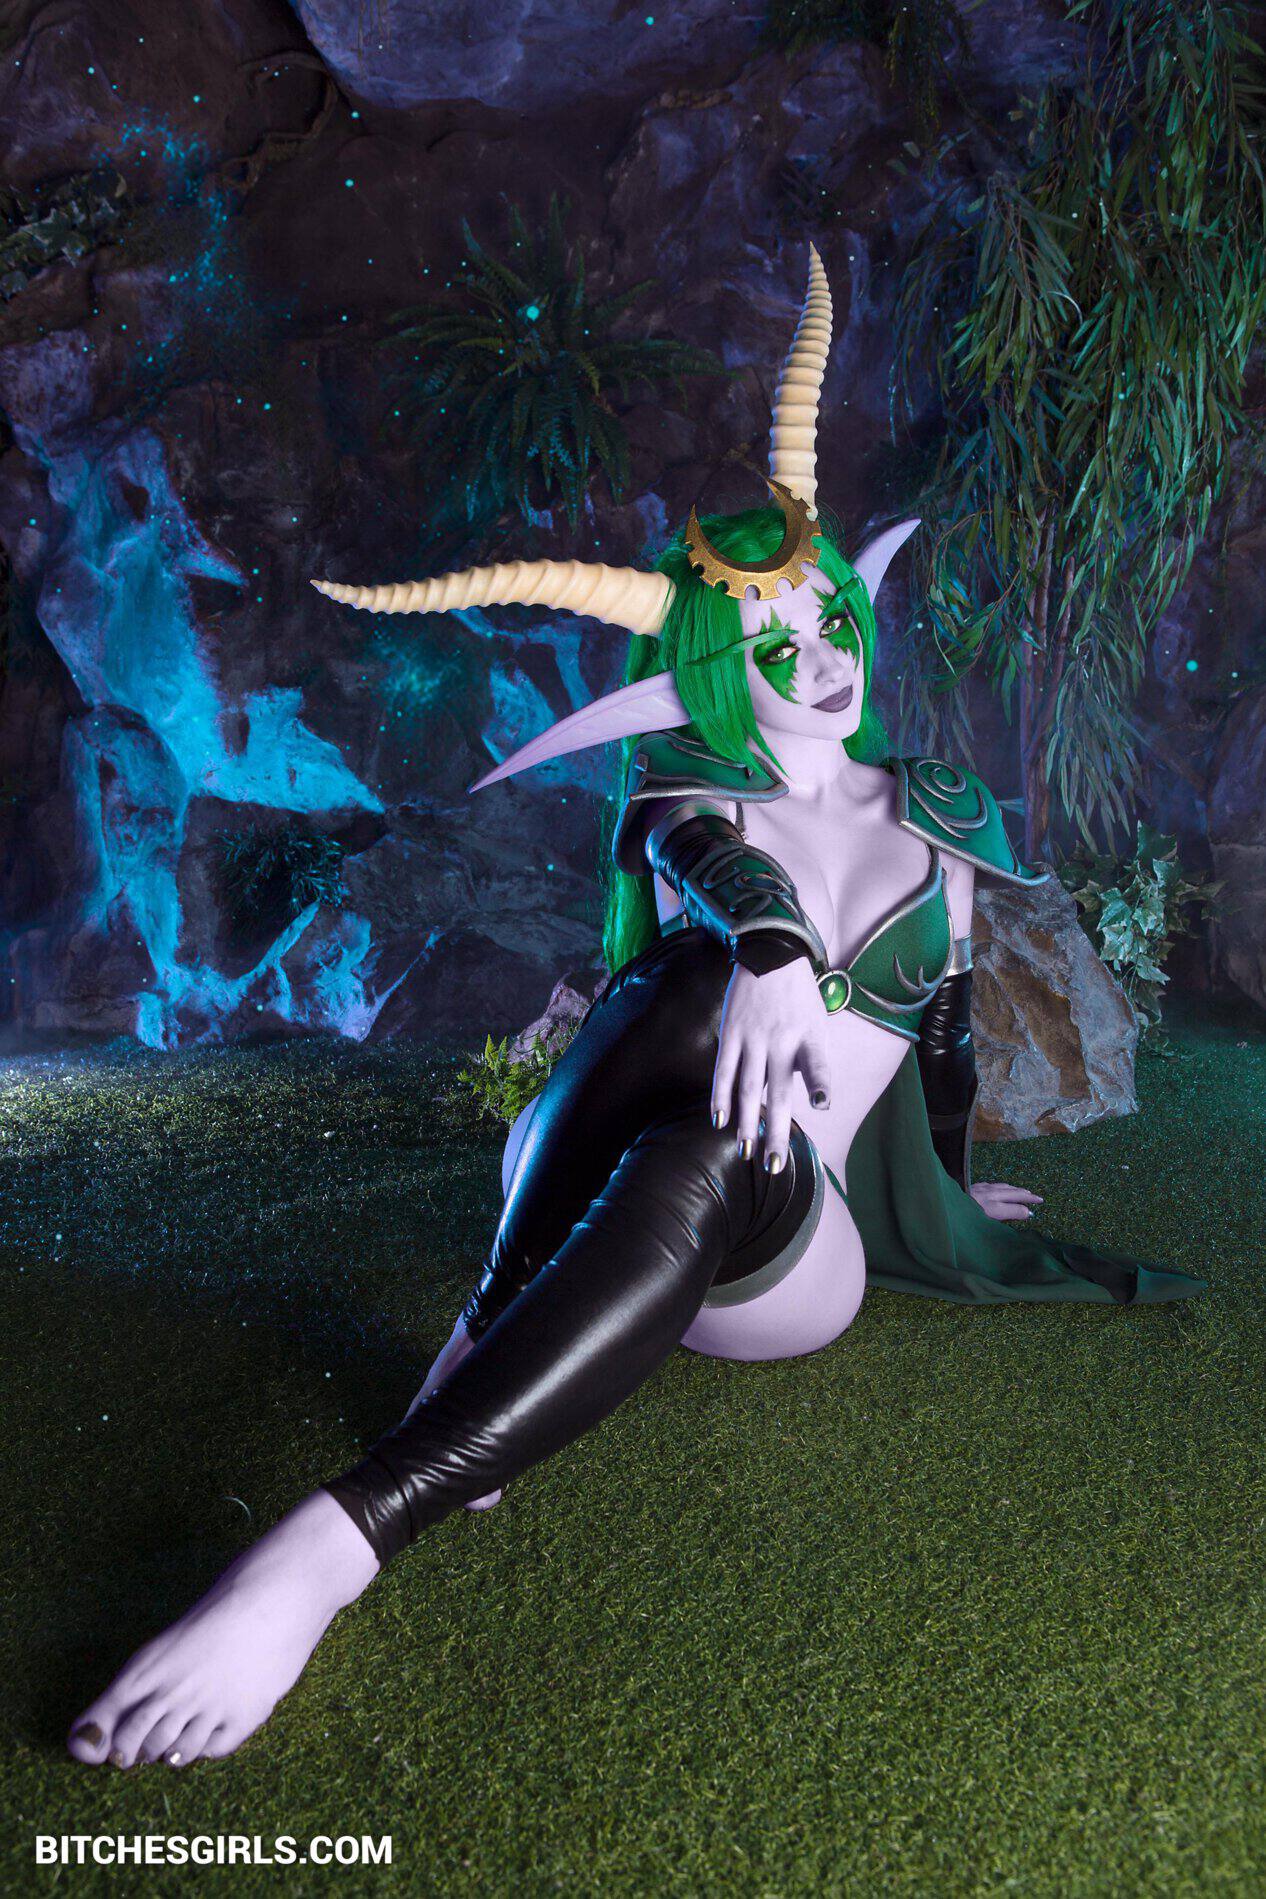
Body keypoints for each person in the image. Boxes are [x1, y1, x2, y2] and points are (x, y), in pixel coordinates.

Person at [67, 247, 1204, 1771]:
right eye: (771, 644)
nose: (819, 660)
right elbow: (701, 862)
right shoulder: (684, 790)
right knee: (692, 978)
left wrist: (940, 1189)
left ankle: (337, 1540)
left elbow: (933, 1035)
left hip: (782, 1247)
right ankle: (461, 1360)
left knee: (719, 1143)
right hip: (600, 1147)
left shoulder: (939, 809)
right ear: (711, 670)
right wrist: (767, 948)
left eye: (830, 622)